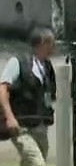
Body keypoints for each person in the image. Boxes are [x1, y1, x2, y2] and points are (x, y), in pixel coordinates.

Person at [0, 27, 57, 166]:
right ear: (42, 43)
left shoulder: (47, 66)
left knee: (30, 163)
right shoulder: (18, 62)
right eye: (51, 44)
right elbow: (2, 89)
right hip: (21, 126)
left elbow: (51, 93)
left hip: (40, 125)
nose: (53, 48)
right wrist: (10, 118)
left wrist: (74, 89)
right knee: (38, 163)